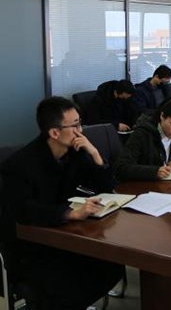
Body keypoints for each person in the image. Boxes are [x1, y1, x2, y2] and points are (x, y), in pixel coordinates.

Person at [0, 97, 124, 309]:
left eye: (80, 123)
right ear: (54, 133)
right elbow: (21, 210)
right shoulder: (19, 164)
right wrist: (69, 213)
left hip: (63, 237)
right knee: (69, 284)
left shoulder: (74, 152)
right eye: (74, 125)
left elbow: (106, 186)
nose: (80, 131)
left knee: (112, 266)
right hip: (30, 247)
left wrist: (94, 153)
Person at [114, 99, 171, 182]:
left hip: (167, 185)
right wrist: (154, 172)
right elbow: (121, 168)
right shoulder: (142, 135)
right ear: (162, 116)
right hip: (143, 187)